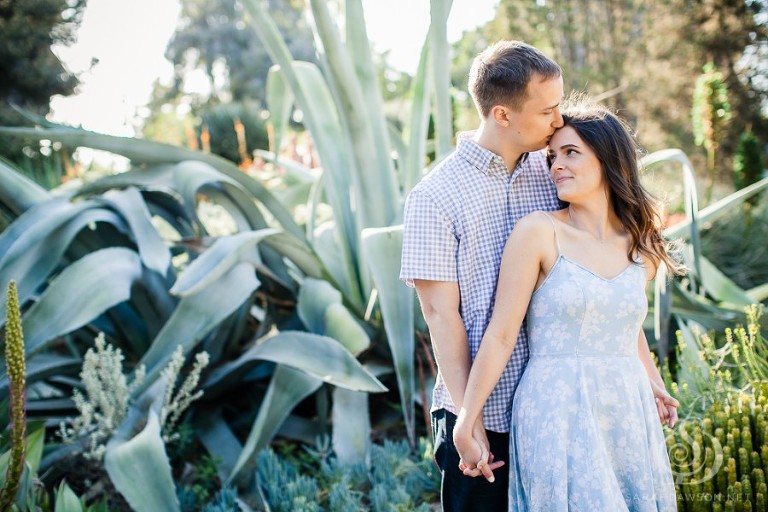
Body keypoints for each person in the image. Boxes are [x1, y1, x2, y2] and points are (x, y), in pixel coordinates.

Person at [453, 101, 682, 510]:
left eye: (570, 153)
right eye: (552, 156)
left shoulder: (640, 245)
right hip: (556, 409)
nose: (556, 165)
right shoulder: (538, 232)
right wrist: (467, 420)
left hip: (626, 409)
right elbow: (502, 333)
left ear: (609, 158)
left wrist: (653, 380)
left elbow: (626, 327)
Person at [400, 40, 566, 510]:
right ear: (503, 115)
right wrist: (468, 418)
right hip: (481, 407)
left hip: (556, 399)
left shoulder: (558, 171)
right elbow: (439, 313)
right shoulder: (435, 196)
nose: (559, 122)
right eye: (548, 111)